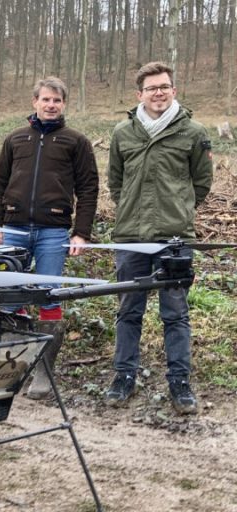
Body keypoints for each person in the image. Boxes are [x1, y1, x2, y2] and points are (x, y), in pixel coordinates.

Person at [106, 62, 212, 415]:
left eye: (164, 86)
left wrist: (177, 211)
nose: (159, 93)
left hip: (174, 240)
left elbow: (201, 183)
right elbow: (116, 184)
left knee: (176, 314)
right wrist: (133, 211)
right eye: (152, 88)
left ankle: (179, 382)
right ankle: (123, 377)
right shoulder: (123, 133)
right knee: (128, 310)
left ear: (174, 90)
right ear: (140, 94)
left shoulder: (193, 132)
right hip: (131, 238)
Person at [0, 76, 98, 400]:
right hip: (14, 229)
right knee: (10, 297)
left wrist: (81, 232)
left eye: (57, 101)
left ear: (64, 105)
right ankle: (12, 369)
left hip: (53, 232)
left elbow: (88, 188)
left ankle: (43, 375)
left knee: (48, 296)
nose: (51, 105)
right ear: (34, 101)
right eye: (46, 99)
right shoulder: (15, 139)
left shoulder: (75, 141)